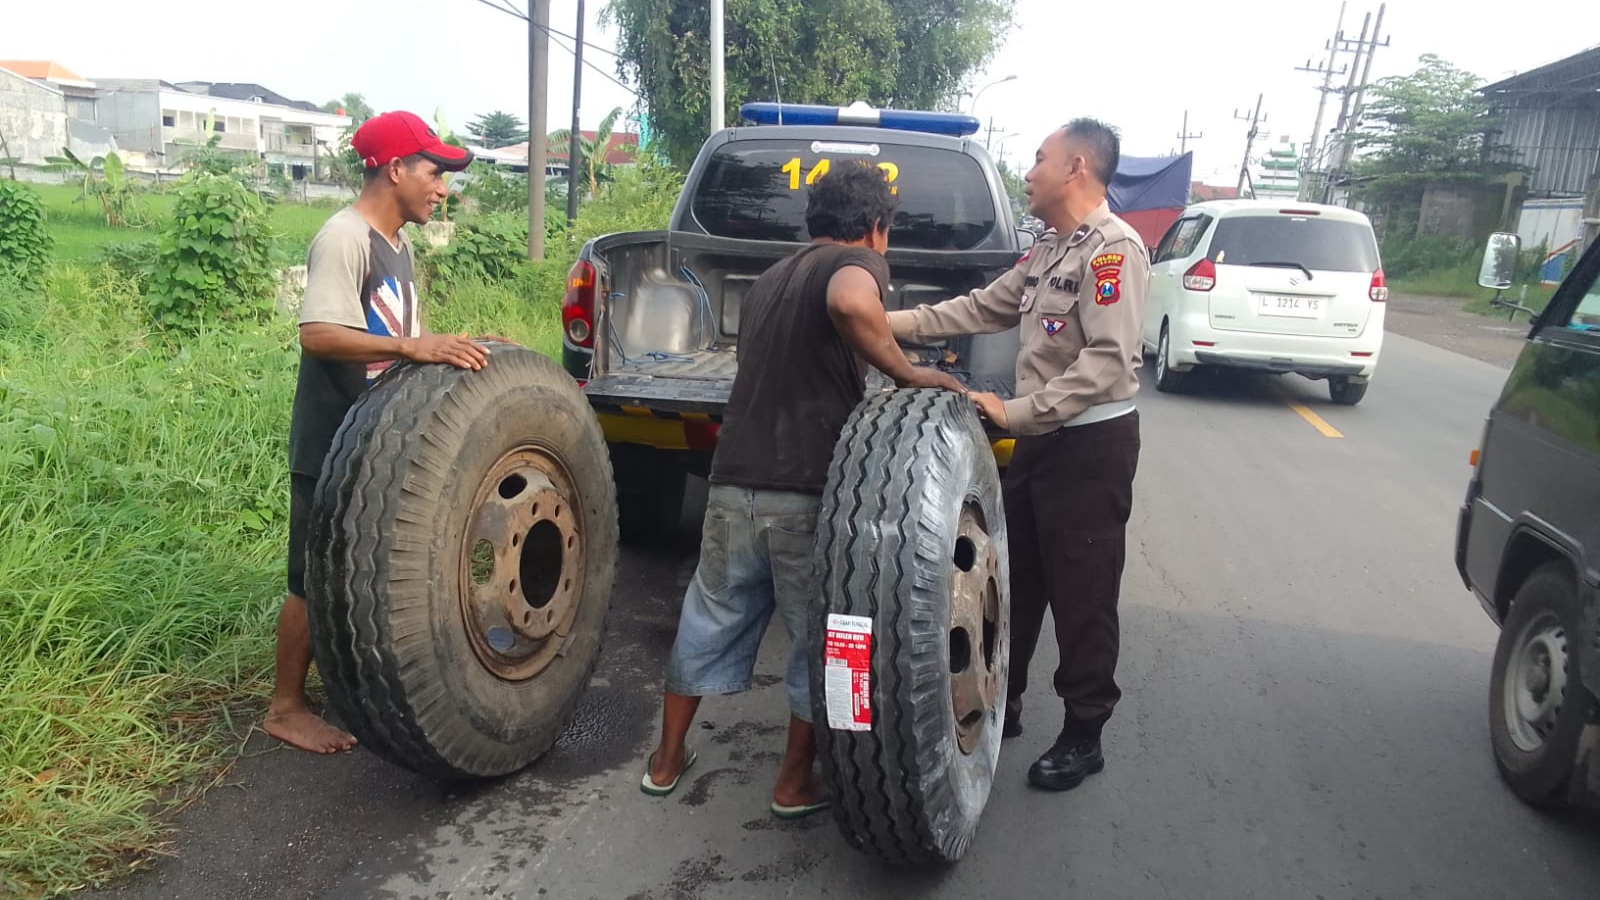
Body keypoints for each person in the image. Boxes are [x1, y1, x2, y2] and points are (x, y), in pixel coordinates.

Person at [641, 162, 966, 816]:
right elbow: (851, 302)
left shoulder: (770, 279)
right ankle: (794, 784)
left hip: (734, 481)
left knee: (708, 616)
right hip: (809, 490)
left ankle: (666, 760)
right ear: (875, 227)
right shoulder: (856, 264)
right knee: (828, 639)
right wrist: (908, 374)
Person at [886, 119, 1148, 792]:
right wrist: (888, 322)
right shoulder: (1049, 251)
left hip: (1090, 444)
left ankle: (1085, 732)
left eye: (1039, 159)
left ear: (1077, 167)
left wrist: (1016, 412)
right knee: (1020, 578)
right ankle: (1010, 699)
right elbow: (981, 308)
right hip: (1040, 440)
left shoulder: (1114, 253)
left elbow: (1108, 363)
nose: (1027, 172)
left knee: (1083, 592)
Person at [267, 110, 495, 754]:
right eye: (434, 171)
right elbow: (318, 334)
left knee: (360, 568)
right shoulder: (346, 237)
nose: (442, 186)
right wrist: (413, 347)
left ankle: (351, 680)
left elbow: (395, 339)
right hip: (332, 441)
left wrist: (456, 345)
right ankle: (284, 707)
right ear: (394, 169)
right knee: (310, 576)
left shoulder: (398, 243)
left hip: (379, 443)